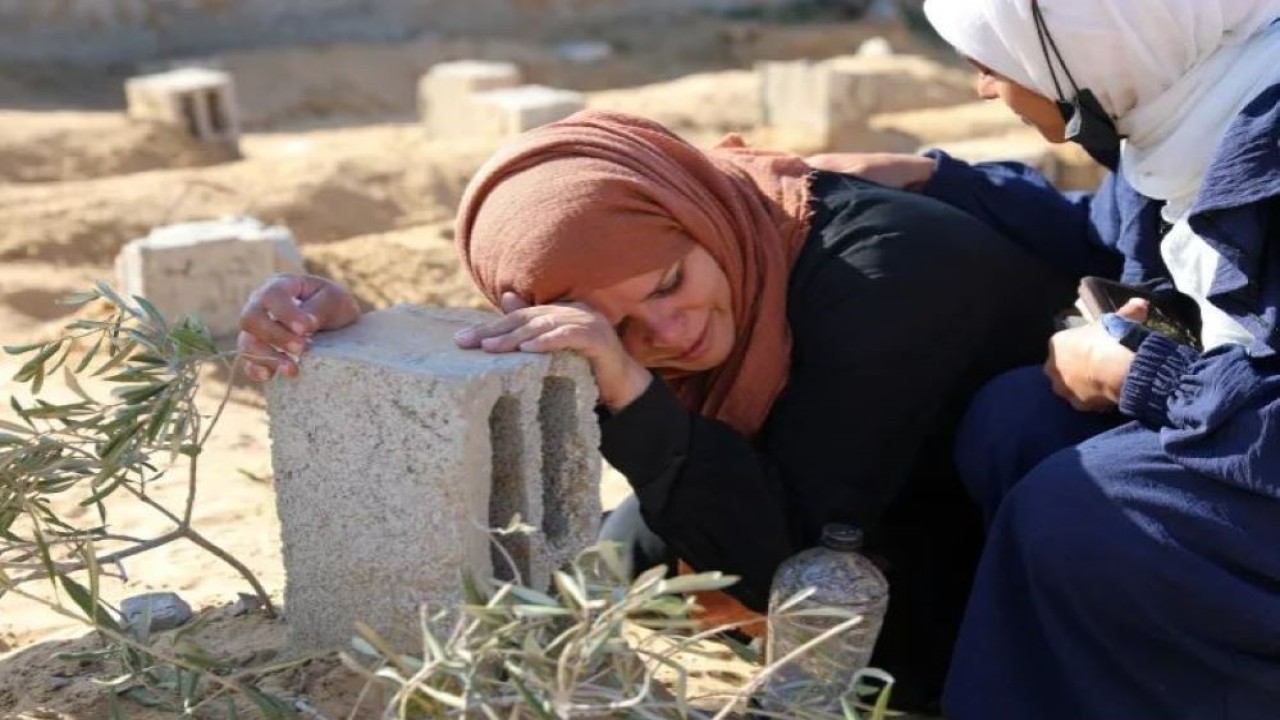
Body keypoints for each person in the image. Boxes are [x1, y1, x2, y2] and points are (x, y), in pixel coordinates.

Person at [237, 109, 1071, 710]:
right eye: (621, 326)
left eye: (670, 283)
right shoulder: (718, 238)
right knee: (611, 557)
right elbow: (535, 337)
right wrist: (357, 326)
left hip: (1000, 563)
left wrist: (627, 380)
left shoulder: (884, 277)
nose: (669, 332)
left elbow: (782, 564)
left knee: (810, 604)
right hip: (840, 488)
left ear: (700, 218)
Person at [831, 0, 1280, 717]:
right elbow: (1104, 230)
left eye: (991, 62)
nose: (983, 87)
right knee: (1017, 421)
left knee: (1080, 508)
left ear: (1091, 41)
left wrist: (1141, 375)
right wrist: (933, 179)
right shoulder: (1192, 106)